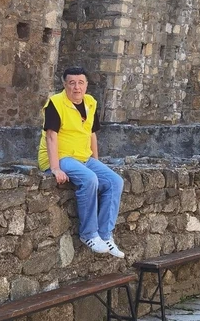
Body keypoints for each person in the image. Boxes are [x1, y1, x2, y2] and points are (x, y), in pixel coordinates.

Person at [38, 67, 125, 258]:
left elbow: (91, 134)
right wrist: (55, 167)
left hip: (83, 157)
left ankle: (105, 235)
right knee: (89, 179)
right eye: (71, 83)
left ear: (86, 85)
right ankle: (89, 234)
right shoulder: (55, 103)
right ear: (64, 85)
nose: (76, 87)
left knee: (115, 181)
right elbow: (51, 136)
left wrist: (96, 162)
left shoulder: (90, 102)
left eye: (80, 83)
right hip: (61, 156)